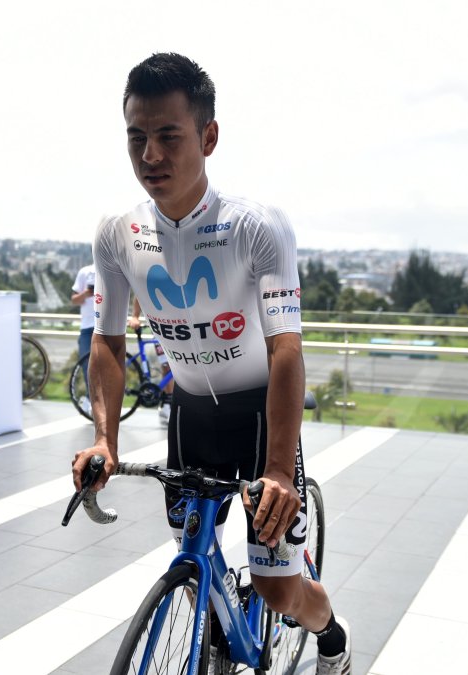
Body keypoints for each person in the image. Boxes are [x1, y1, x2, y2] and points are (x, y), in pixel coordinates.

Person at [71, 53, 351, 673]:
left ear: (209, 136)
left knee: (278, 589)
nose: (150, 156)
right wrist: (103, 439)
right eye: (136, 138)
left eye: (168, 136)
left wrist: (279, 468)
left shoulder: (256, 227)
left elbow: (286, 349)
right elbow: (108, 344)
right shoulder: (117, 235)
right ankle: (225, 628)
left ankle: (330, 632)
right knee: (195, 565)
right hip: (190, 414)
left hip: (260, 420)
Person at [128, 296, 174, 424]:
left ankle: (168, 404)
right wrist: (135, 316)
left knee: (174, 367)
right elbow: (139, 292)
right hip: (161, 329)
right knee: (168, 366)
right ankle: (167, 405)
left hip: (180, 325)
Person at [70, 263, 96, 411]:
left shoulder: (112, 269)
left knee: (106, 366)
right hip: (87, 326)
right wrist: (86, 293)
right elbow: (74, 300)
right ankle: (90, 398)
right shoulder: (84, 272)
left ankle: (95, 400)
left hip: (107, 326)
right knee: (87, 365)